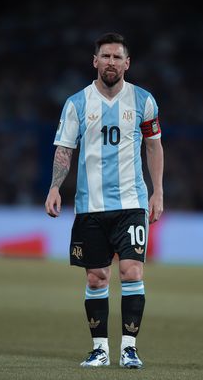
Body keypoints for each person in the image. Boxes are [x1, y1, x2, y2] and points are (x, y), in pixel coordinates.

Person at [45, 32, 164, 368]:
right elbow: (65, 149)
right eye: (105, 56)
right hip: (90, 206)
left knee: (131, 271)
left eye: (117, 57)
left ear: (127, 63)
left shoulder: (144, 101)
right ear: (95, 61)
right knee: (96, 276)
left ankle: (129, 348)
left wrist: (158, 191)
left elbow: (154, 146)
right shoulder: (77, 103)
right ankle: (100, 348)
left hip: (131, 202)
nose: (111, 62)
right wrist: (55, 188)